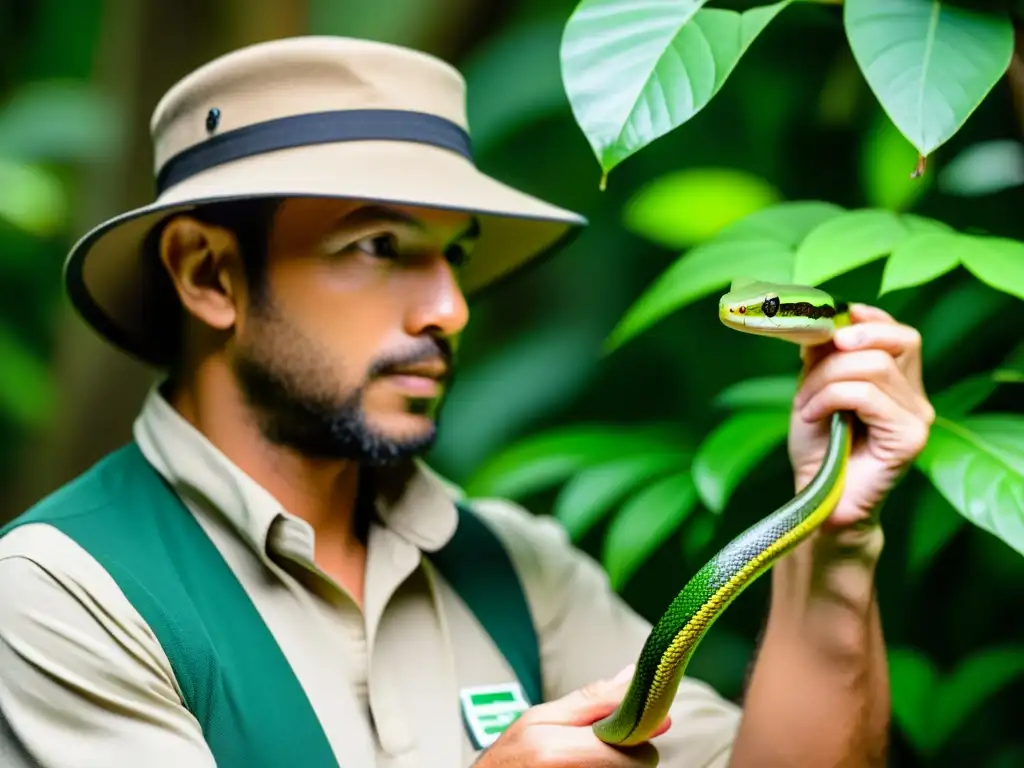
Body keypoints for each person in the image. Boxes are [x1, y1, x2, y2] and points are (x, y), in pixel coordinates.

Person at [0, 36, 933, 768]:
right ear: (208, 272)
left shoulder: (520, 572)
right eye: (377, 246)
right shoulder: (63, 593)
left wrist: (836, 538)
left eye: (454, 253)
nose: (449, 307)